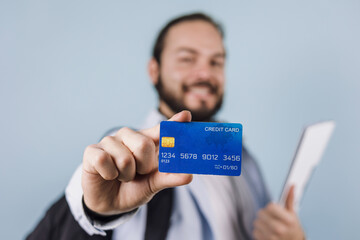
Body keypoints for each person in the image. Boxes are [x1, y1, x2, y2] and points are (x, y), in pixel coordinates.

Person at [27, 12, 305, 240]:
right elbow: (80, 214)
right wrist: (95, 209)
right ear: (154, 70)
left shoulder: (244, 160)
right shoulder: (123, 155)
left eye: (216, 62)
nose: (205, 73)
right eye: (187, 59)